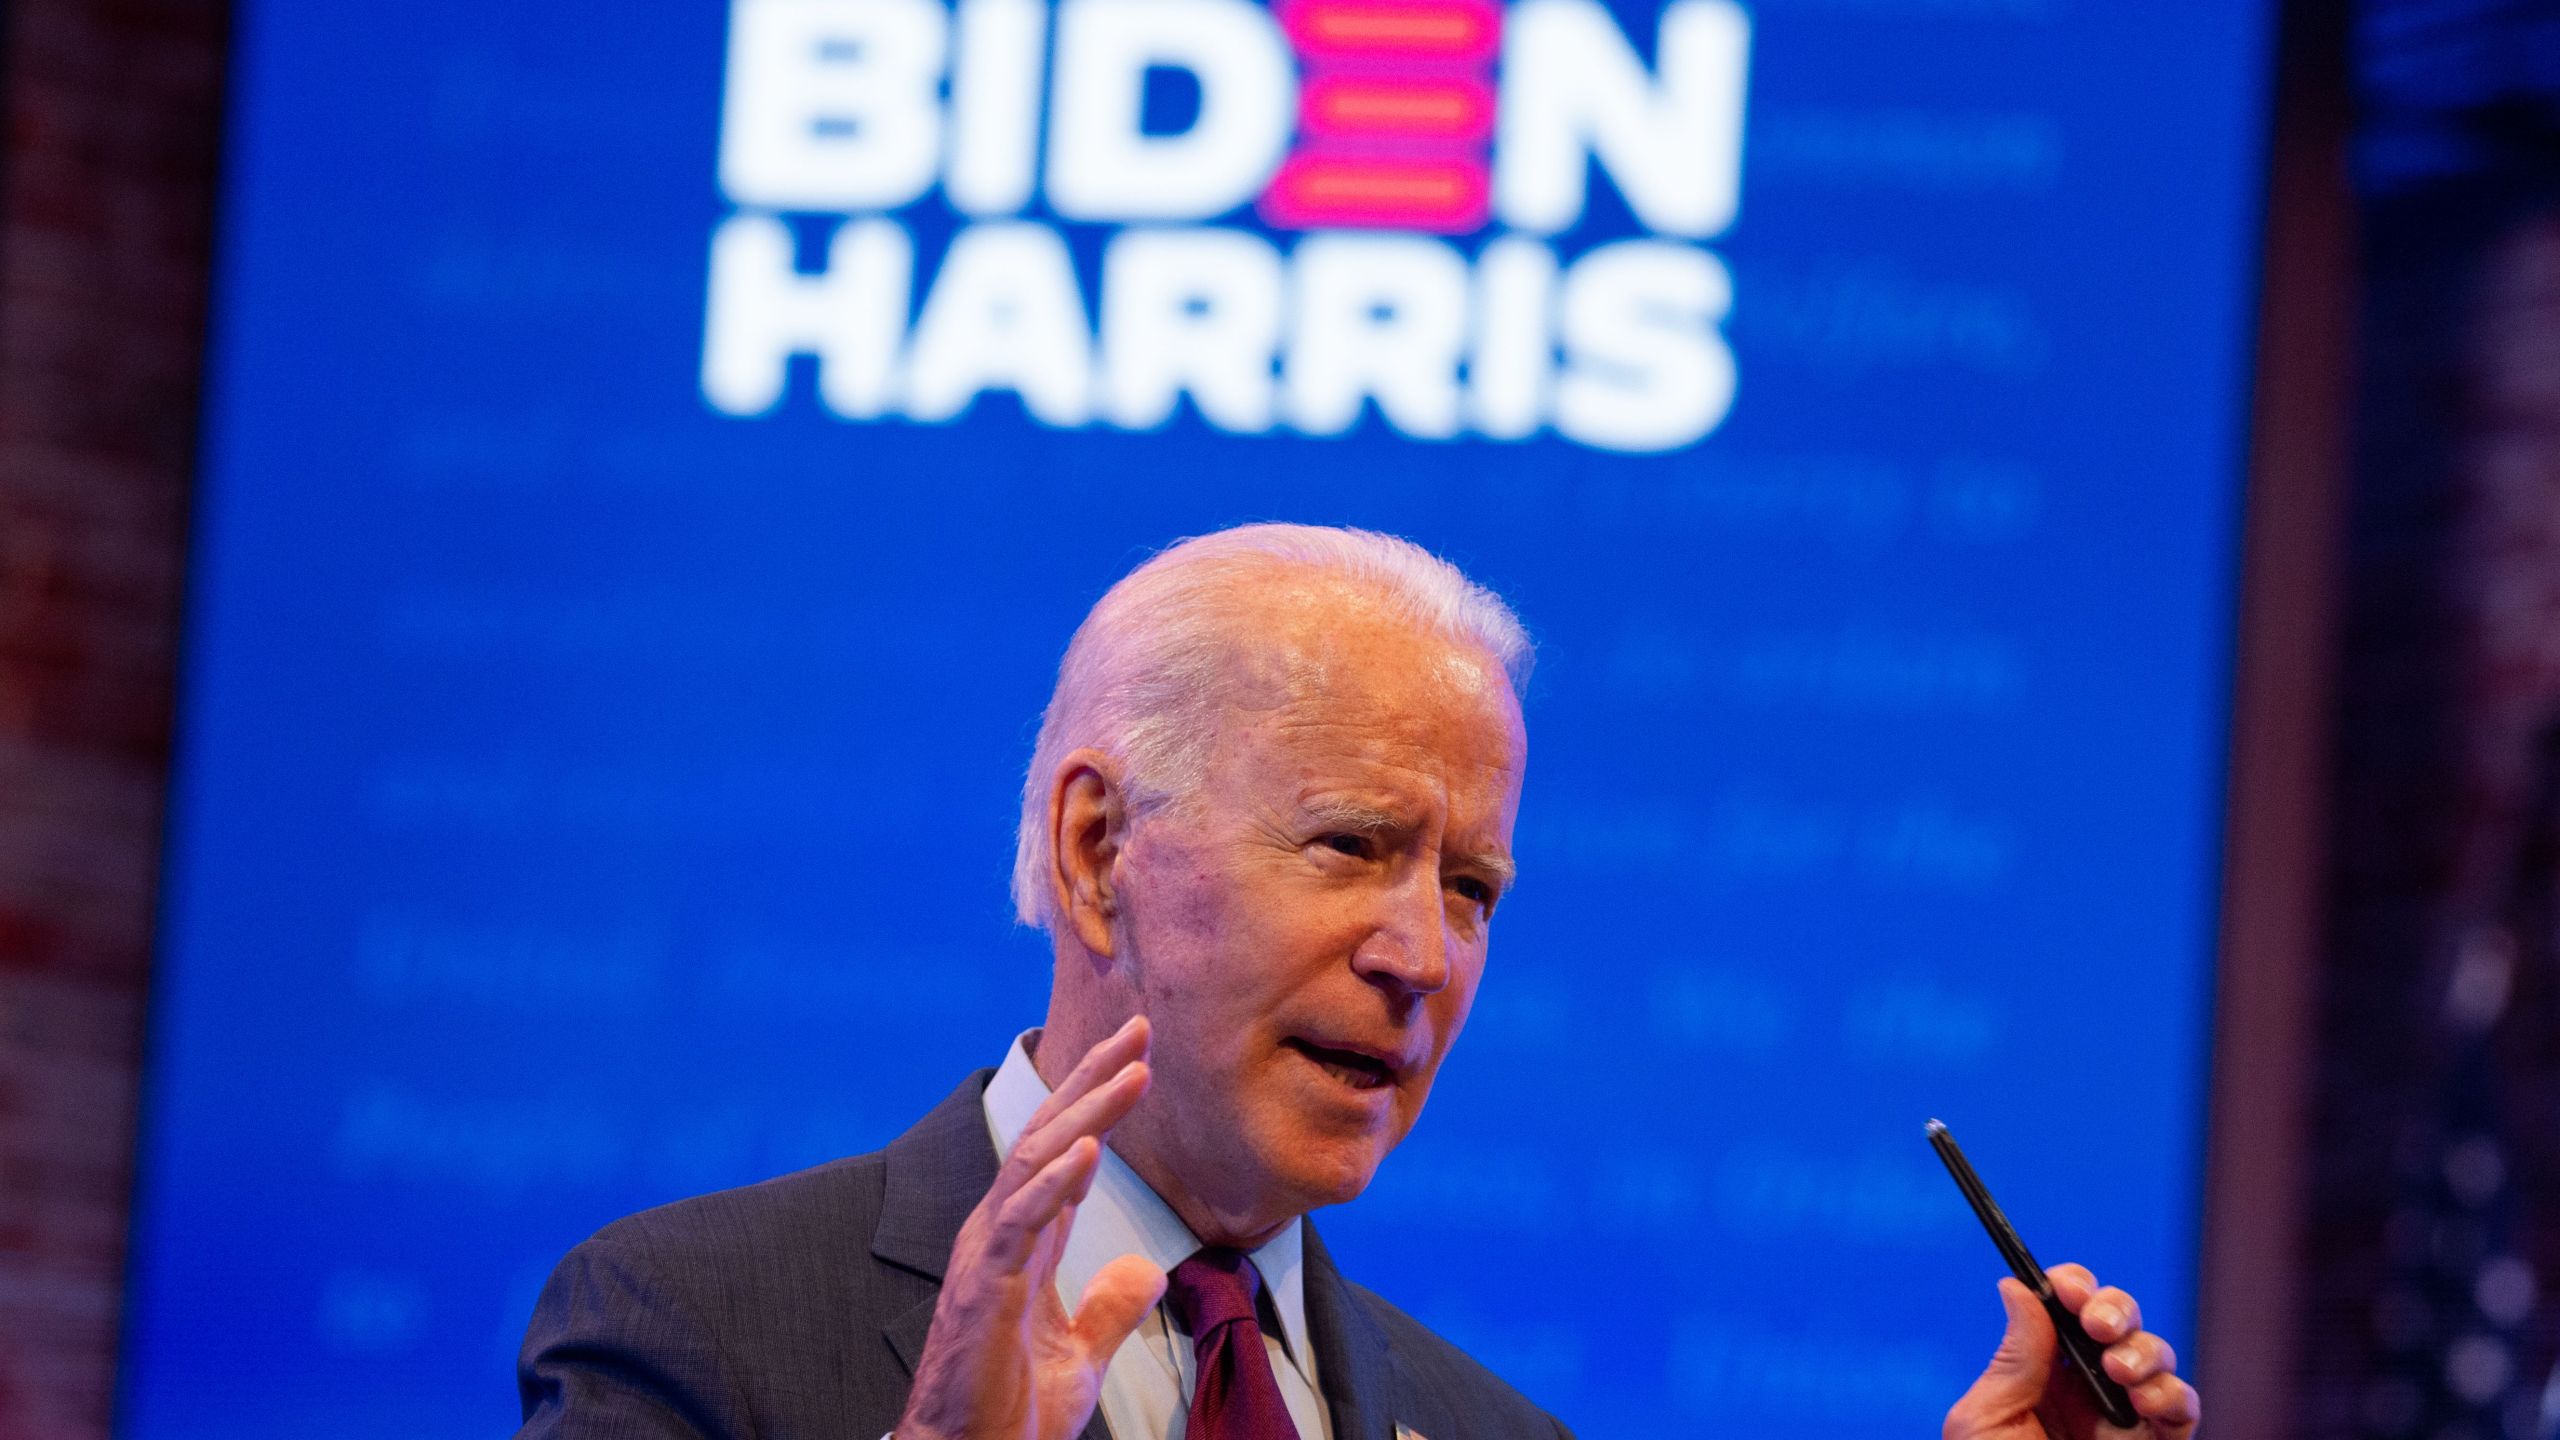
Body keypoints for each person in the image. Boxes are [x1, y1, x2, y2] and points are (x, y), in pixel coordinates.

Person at [516, 523, 2200, 1440]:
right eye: (1346, 848)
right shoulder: (695, 1327)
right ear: (1102, 852)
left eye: (1471, 889)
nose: (1421, 956)